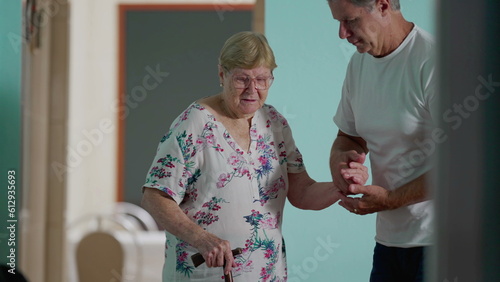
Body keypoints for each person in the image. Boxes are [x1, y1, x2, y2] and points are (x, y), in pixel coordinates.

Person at [141, 31, 369, 281]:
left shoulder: (275, 124)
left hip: (266, 273)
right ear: (222, 74)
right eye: (242, 79)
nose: (253, 89)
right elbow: (156, 196)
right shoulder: (194, 124)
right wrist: (202, 239)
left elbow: (302, 191)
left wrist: (341, 185)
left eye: (262, 79)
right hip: (206, 272)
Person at [327, 0, 436, 281]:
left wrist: (389, 199)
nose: (342, 33)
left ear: (383, 5)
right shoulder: (358, 64)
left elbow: (463, 165)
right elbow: (349, 136)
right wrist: (341, 161)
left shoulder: (435, 60)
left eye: (349, 21)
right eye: (338, 22)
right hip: (389, 243)